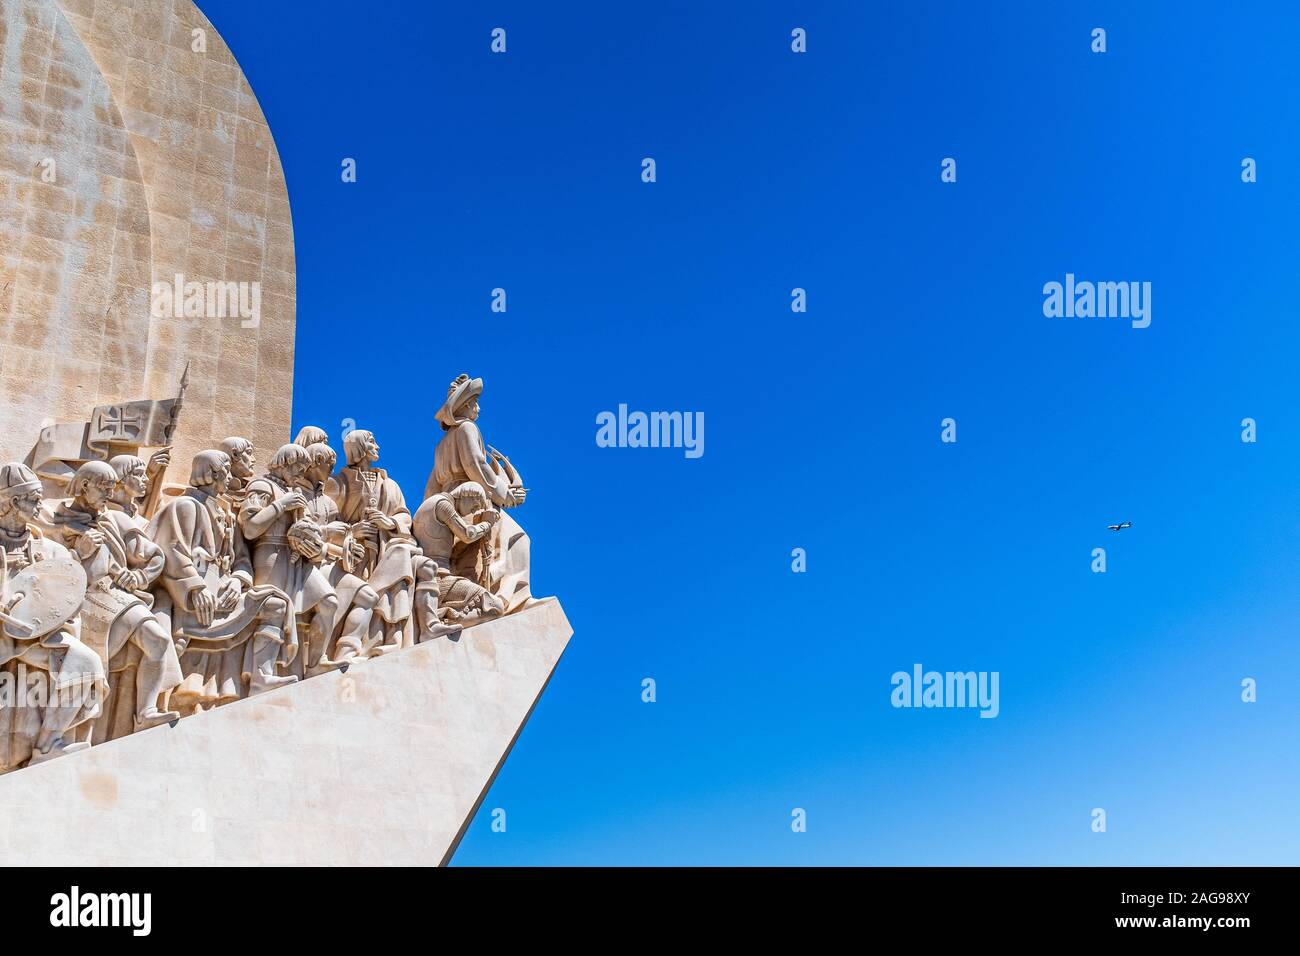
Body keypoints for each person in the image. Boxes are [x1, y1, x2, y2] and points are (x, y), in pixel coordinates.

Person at [147, 451, 297, 712]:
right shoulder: (185, 506)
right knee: (180, 637)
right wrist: (195, 587)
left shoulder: (227, 514)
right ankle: (157, 703)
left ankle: (261, 677)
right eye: (225, 472)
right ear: (211, 473)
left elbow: (242, 561)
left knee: (275, 604)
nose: (231, 478)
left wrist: (239, 581)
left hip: (225, 594)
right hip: (190, 596)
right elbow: (171, 549)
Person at [48, 462, 182, 739]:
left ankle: (145, 713)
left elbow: (154, 555)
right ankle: (59, 737)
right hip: (78, 600)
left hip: (112, 595)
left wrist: (141, 577)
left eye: (112, 487)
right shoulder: (57, 518)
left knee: (157, 640)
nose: (110, 493)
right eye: (104, 487)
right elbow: (47, 566)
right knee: (86, 667)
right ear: (84, 485)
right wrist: (79, 552)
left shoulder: (116, 519)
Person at [0, 463, 106, 772]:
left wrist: (82, 557)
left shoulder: (48, 549)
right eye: (33, 499)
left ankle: (48, 745)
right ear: (12, 502)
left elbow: (67, 594)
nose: (39, 506)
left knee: (87, 662)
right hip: (3, 636)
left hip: (34, 636)